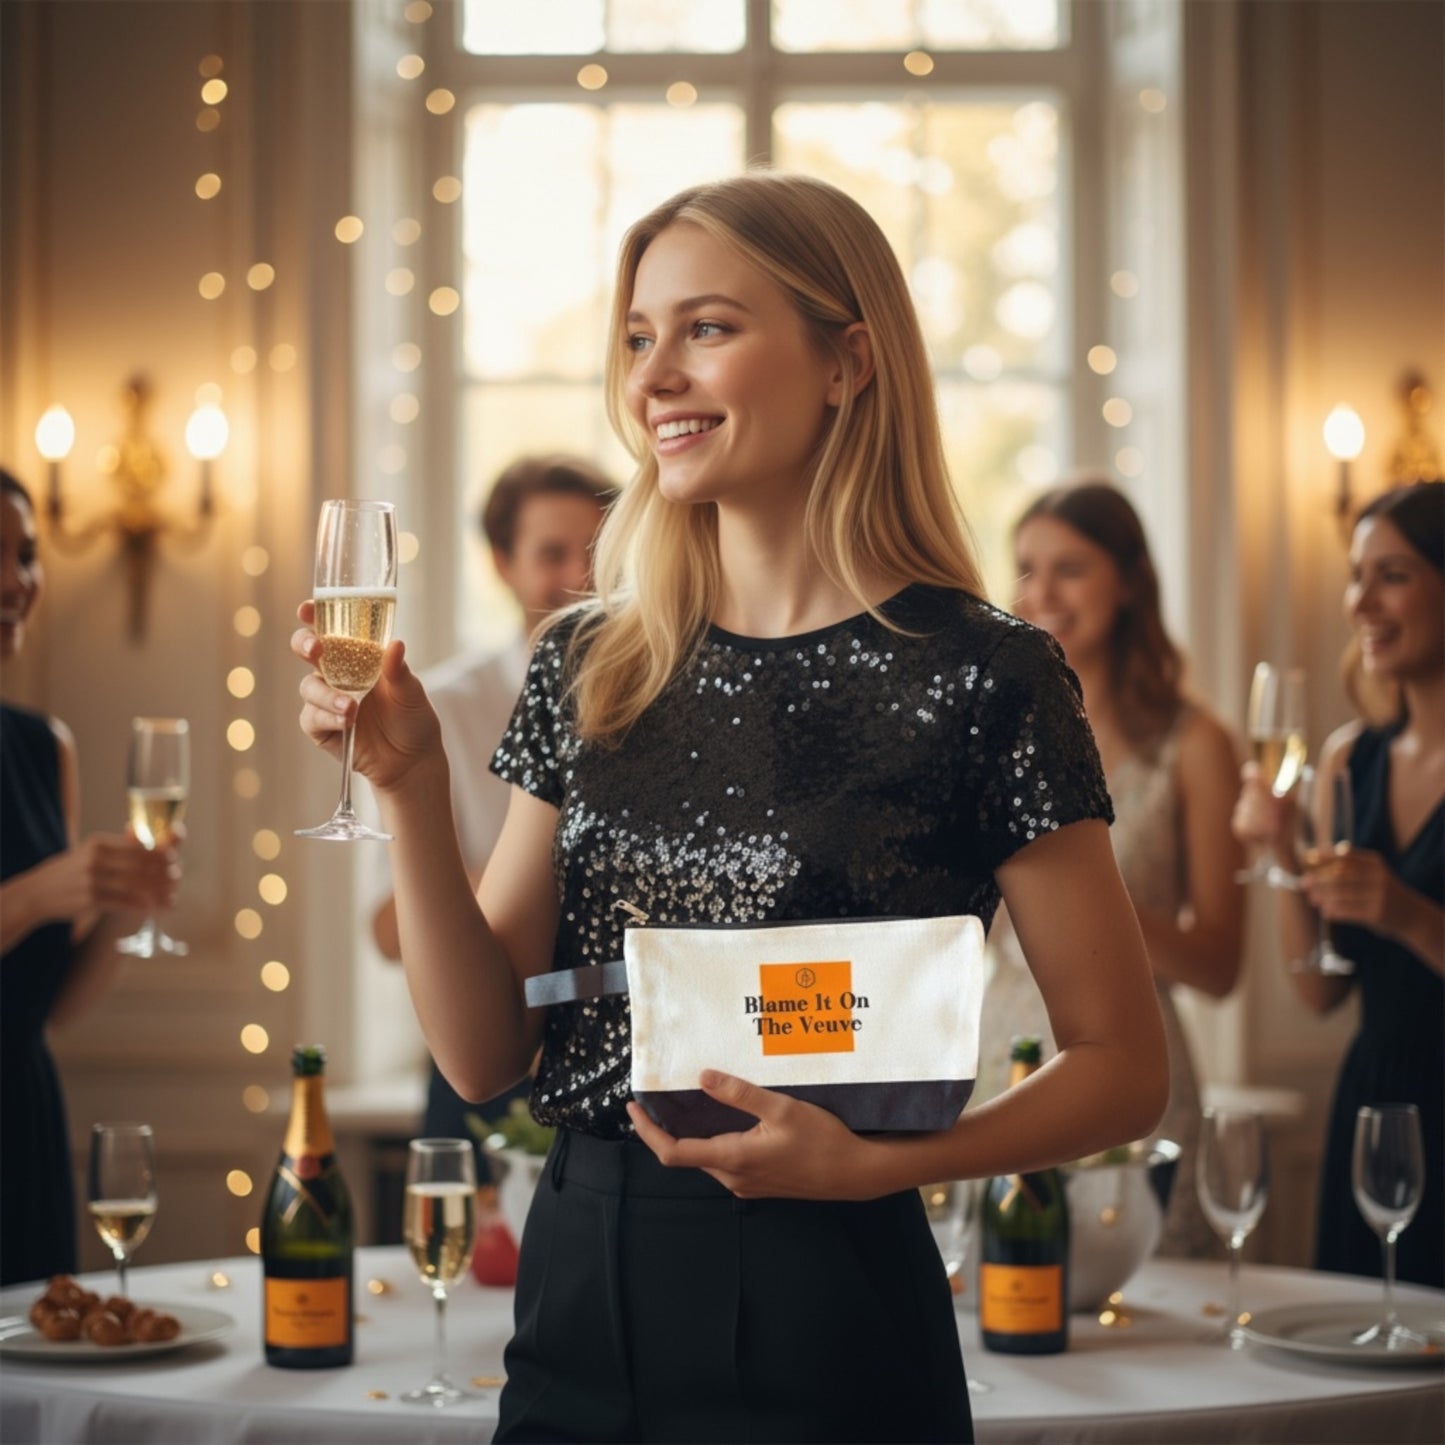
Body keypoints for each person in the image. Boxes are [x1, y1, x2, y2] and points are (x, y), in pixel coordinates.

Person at [294, 172, 1168, 1443]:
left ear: (845, 361)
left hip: (837, 1294)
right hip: (581, 1281)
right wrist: (412, 787)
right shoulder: (587, 655)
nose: (652, 377)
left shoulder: (985, 672)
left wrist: (883, 1165)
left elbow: (1122, 1068)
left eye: (705, 327)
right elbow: (485, 1056)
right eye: (640, 337)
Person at [983, 480, 1245, 1259]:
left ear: (1128, 582)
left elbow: (1220, 963)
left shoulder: (1193, 746)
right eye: (1026, 569)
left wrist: (1085, 899)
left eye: (1070, 568)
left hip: (1130, 1070)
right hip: (999, 1064)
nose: (1041, 593)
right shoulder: (995, 736)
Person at [365, 454, 611, 1171]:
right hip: (478, 1051)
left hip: (610, 1066)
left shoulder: (654, 702)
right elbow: (386, 928)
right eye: (551, 553)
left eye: (595, 550)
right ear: (502, 563)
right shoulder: (434, 707)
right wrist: (531, 890)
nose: (580, 574)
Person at [1233, 481, 1443, 1289]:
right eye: (1356, 575)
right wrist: (1282, 851)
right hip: (1374, 1104)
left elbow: (1398, 921)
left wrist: (1408, 914)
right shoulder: (1349, 759)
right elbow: (1318, 991)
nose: (1359, 601)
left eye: (1391, 574)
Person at [0, 467, 180, 1287]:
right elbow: (33, 904)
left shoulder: (44, 746)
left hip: (24, 1119)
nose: (16, 583)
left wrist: (119, 907)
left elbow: (56, 1003)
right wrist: (38, 894)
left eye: (29, 556)